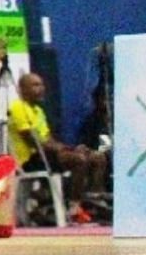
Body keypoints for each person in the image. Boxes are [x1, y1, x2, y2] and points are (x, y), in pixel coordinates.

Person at [9, 72, 110, 211]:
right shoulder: (17, 107)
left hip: (47, 155)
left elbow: (48, 138)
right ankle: (74, 205)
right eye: (35, 85)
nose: (41, 88)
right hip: (30, 159)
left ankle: (95, 198)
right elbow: (33, 141)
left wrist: (69, 148)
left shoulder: (38, 111)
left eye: (42, 85)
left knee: (97, 157)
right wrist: (65, 150)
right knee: (78, 159)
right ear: (22, 88)